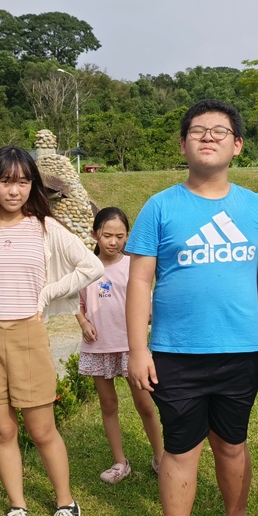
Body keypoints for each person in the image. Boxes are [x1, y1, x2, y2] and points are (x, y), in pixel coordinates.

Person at [125, 99, 258, 516]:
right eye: (198, 130)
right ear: (183, 143)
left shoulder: (255, 208)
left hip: (240, 351)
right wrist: (138, 349)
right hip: (175, 352)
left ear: (237, 145)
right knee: (180, 448)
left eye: (220, 131)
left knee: (231, 444)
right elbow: (139, 283)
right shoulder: (160, 206)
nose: (208, 137)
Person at [0, 145, 103, 516]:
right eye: (5, 181)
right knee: (1, 429)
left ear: (32, 184)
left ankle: (66, 504)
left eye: (22, 181)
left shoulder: (44, 227)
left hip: (27, 334)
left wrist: (48, 293)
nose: (13, 191)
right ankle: (17, 506)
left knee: (41, 429)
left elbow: (92, 265)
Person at [76, 207, 164, 484]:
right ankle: (119, 462)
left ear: (128, 237)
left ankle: (161, 458)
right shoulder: (86, 268)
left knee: (145, 404)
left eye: (120, 236)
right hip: (98, 346)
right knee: (108, 404)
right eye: (107, 235)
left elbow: (146, 302)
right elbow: (73, 301)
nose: (113, 242)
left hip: (130, 346)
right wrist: (82, 321)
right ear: (94, 234)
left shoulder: (132, 266)